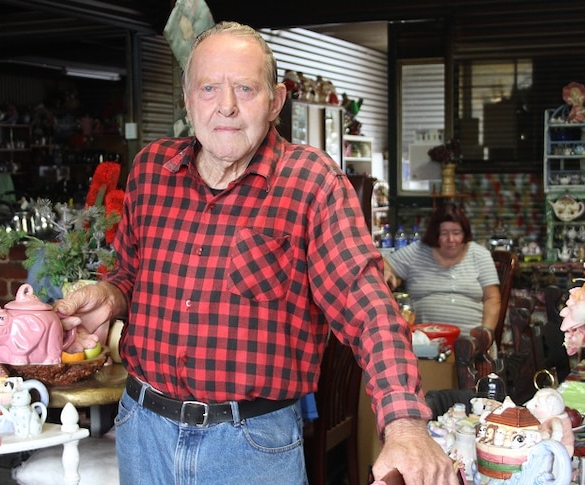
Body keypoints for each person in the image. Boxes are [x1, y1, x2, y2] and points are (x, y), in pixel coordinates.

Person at [54, 21, 458, 485]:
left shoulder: (311, 183)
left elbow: (367, 307)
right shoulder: (151, 170)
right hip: (143, 429)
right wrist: (109, 294)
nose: (226, 105)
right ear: (188, 99)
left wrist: (404, 422)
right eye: (209, 88)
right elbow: (131, 272)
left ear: (276, 100)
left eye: (245, 88)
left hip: (250, 446)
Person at [383, 204, 501, 339]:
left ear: (464, 233)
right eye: (444, 234)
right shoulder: (418, 251)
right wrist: (388, 272)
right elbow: (383, 263)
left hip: (472, 342)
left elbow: (493, 299)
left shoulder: (480, 255)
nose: (451, 240)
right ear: (435, 234)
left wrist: (485, 334)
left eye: (456, 233)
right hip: (426, 340)